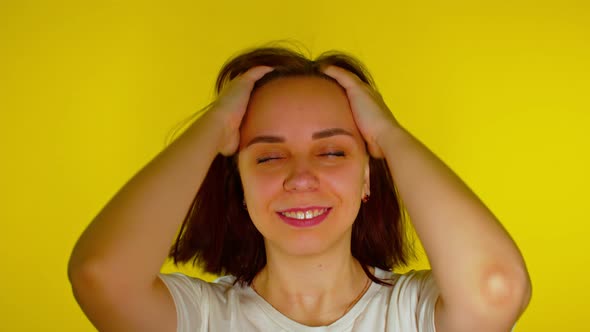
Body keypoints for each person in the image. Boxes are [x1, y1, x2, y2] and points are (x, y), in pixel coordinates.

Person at [68, 45, 531, 332]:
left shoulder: (414, 315)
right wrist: (213, 127)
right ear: (240, 184)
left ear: (368, 176)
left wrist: (390, 135)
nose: (301, 177)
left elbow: (497, 287)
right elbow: (101, 277)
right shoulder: (201, 319)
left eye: (332, 152)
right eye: (268, 156)